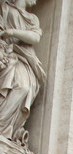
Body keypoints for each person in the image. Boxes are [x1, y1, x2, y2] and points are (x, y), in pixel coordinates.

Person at [0, 0, 45, 144]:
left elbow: (35, 38)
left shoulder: (33, 18)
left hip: (25, 58)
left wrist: (12, 32)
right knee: (16, 84)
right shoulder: (5, 8)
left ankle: (5, 128)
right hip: (8, 53)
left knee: (25, 87)